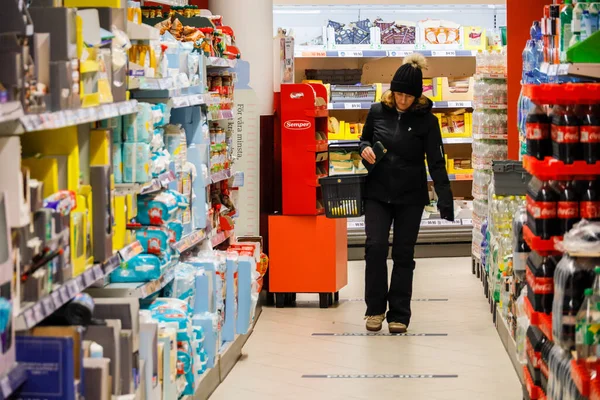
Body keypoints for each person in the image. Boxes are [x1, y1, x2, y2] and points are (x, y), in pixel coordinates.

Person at [359, 54, 454, 333]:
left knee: (403, 254)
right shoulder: (377, 111)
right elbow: (364, 139)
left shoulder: (428, 121)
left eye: (408, 96)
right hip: (377, 192)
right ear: (392, 91)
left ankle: (399, 314)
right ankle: (375, 310)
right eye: (399, 94)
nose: (402, 100)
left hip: (411, 196)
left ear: (418, 96)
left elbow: (436, 162)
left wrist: (444, 198)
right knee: (375, 248)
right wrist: (364, 149)